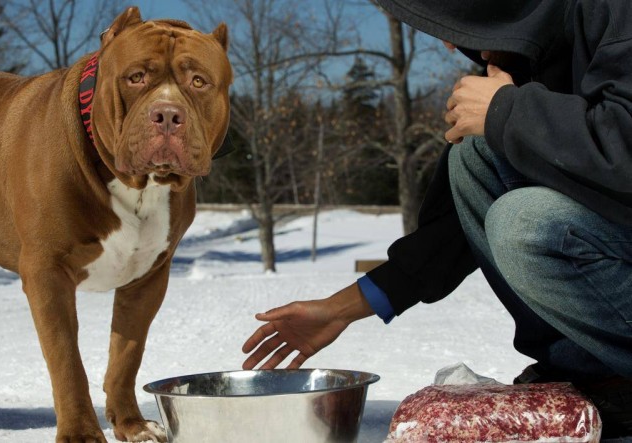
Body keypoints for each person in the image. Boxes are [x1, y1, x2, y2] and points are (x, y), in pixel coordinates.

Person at [241, 0, 632, 437]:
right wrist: (340, 311)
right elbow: (451, 233)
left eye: (456, 24)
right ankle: (597, 378)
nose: (448, 43)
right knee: (474, 155)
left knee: (522, 220)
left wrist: (508, 112)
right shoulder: (539, 51)